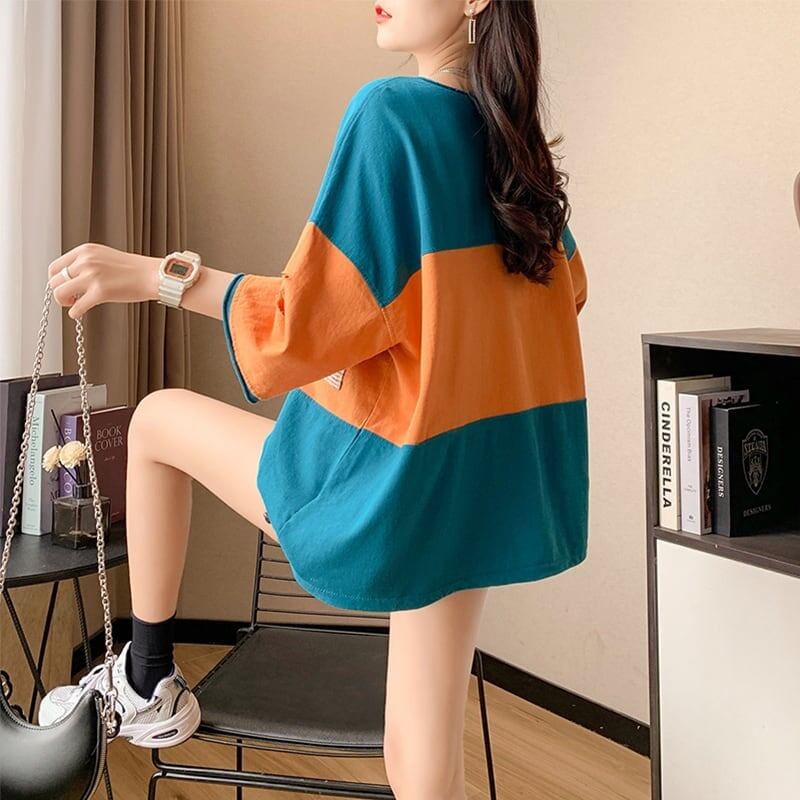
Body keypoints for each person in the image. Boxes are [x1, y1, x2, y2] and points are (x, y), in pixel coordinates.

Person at [38, 0, 589, 796]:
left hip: (391, 487)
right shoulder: (513, 141)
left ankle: (148, 680)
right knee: (422, 759)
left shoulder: (390, 113)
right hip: (476, 482)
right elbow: (563, 294)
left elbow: (305, 322)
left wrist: (158, 275)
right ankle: (146, 680)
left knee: (156, 420)